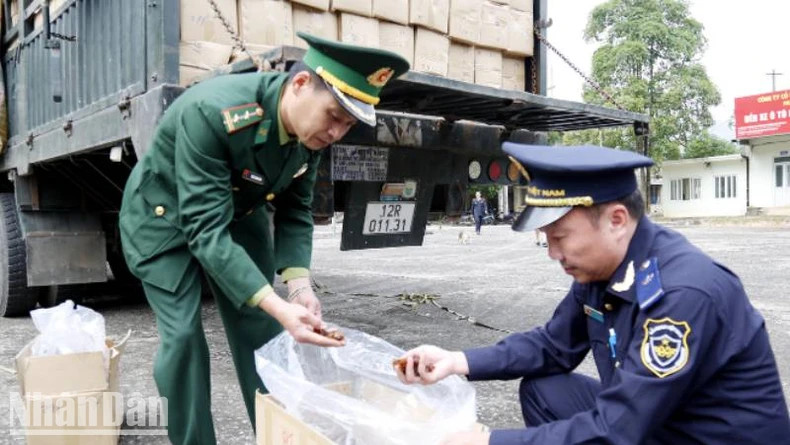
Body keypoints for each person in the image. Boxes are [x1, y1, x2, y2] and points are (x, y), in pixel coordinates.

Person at [118, 33, 409, 445]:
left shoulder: (313, 132)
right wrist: (277, 304)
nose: (337, 132)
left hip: (239, 211)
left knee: (261, 329)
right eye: (334, 116)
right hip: (165, 217)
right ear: (301, 85)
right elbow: (205, 230)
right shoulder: (213, 112)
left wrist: (298, 288)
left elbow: (295, 209)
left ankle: (277, 435)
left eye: (348, 123)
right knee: (183, 337)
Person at [396, 144, 790, 445]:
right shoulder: (604, 271)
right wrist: (455, 360)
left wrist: (488, 441)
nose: (552, 253)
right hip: (665, 421)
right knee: (545, 388)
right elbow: (553, 346)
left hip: (705, 437)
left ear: (617, 220)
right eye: (546, 239)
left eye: (560, 237)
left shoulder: (683, 293)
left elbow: (617, 429)